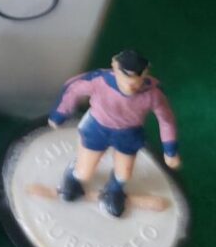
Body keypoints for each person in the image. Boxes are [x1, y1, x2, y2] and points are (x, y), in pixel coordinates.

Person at [49, 50, 180, 218]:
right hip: (96, 128)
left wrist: (170, 150)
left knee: (124, 174)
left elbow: (166, 120)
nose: (131, 84)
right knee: (84, 172)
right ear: (115, 67)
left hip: (128, 134)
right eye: (126, 77)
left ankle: (113, 191)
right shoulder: (99, 80)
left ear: (145, 73)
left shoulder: (153, 93)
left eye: (137, 79)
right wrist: (60, 114)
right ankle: (73, 178)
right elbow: (73, 88)